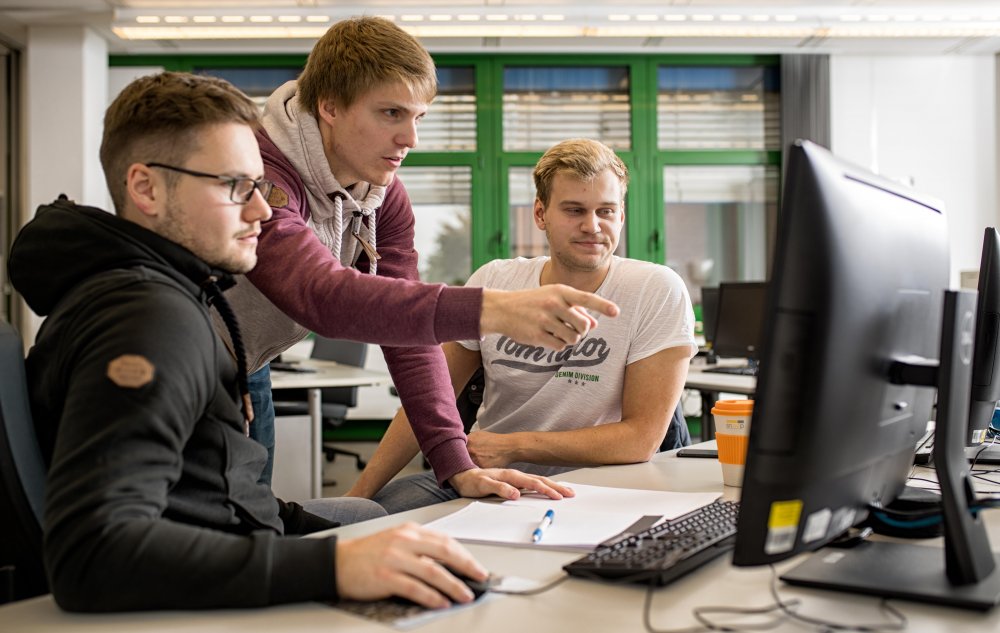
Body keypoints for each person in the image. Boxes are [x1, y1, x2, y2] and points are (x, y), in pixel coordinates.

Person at [9, 71, 491, 612]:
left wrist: (319, 534)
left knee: (376, 519)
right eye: (234, 186)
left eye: (260, 187)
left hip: (236, 531)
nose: (263, 212)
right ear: (145, 188)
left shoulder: (181, 295)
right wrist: (334, 564)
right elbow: (92, 556)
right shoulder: (149, 322)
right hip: (197, 588)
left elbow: (216, 492)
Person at [227, 16, 614, 502]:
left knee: (246, 520)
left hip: (245, 363)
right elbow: (318, 294)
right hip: (177, 357)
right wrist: (491, 309)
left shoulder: (381, 193)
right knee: (195, 535)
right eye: (391, 113)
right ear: (328, 106)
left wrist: (456, 464)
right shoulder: (261, 171)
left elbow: (408, 334)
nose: (411, 138)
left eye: (419, 117)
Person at [347, 139, 698, 512]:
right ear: (540, 214)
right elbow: (430, 397)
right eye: (574, 210)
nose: (592, 226)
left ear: (621, 216)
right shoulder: (497, 280)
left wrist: (512, 445)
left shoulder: (655, 289)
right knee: (361, 520)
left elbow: (640, 438)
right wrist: (357, 494)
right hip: (486, 479)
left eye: (606, 211)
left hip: (594, 486)